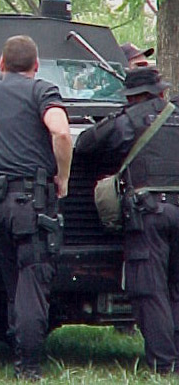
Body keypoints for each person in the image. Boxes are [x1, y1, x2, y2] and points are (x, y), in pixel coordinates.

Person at [0, 35, 73, 381]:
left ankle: (17, 348)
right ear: (36, 65)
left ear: (1, 64)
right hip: (31, 203)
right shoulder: (41, 90)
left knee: (14, 280)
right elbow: (61, 132)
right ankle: (28, 366)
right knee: (33, 281)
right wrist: (64, 177)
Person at [76, 66, 179, 375]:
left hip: (150, 213)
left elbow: (86, 145)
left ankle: (164, 363)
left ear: (132, 97)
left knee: (150, 289)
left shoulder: (127, 120)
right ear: (160, 91)